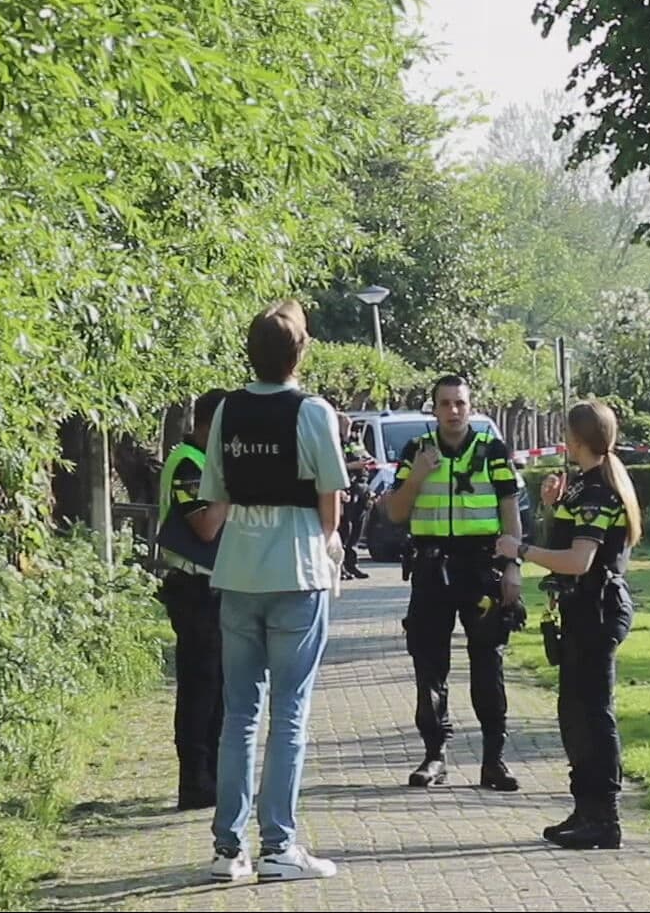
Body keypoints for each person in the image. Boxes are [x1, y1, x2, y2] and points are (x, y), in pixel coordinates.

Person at [198, 300, 350, 882]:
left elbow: (216, 493)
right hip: (296, 570)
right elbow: (330, 495)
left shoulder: (226, 412)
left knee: (239, 712)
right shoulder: (312, 411)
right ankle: (280, 847)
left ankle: (226, 849)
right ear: (301, 352)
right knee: (289, 712)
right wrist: (328, 543)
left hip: (237, 572)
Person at [494, 399, 640, 850]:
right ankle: (585, 808)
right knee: (574, 714)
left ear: (578, 438)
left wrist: (518, 550)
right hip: (579, 611)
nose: (563, 441)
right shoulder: (581, 487)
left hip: (597, 611)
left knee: (594, 715)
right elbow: (560, 543)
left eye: (566, 433)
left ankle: (605, 817)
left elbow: (579, 560)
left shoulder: (599, 491)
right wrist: (550, 506)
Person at [384, 374, 526, 791]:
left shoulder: (491, 451)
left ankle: (493, 760)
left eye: (460, 403)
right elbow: (394, 513)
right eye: (445, 404)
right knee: (429, 665)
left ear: (471, 406)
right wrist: (416, 478)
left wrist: (513, 564)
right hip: (431, 568)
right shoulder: (418, 450)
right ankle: (434, 756)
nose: (453, 411)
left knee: (488, 663)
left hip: (481, 568)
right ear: (434, 408)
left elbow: (510, 509)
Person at [155, 389, 229, 811]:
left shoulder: (204, 462)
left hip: (211, 587)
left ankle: (212, 775)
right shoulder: (189, 462)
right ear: (207, 425)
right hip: (193, 588)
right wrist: (230, 487)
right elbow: (205, 526)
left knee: (217, 687)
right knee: (201, 687)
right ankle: (195, 780)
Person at [336, 413, 374, 580]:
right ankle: (341, 567)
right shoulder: (335, 441)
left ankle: (352, 564)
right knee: (345, 529)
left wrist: (368, 461)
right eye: (345, 425)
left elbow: (363, 454)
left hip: (362, 488)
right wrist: (354, 465)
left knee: (357, 530)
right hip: (347, 490)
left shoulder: (354, 440)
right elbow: (335, 465)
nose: (349, 428)